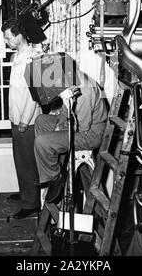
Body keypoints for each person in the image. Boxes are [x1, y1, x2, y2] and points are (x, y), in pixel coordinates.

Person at [34, 61, 108, 204]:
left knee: (42, 142)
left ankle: (54, 177)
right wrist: (61, 122)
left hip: (91, 133)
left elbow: (82, 127)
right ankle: (51, 165)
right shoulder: (72, 80)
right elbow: (67, 109)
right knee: (41, 120)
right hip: (78, 123)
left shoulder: (84, 91)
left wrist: (60, 131)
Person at [1, 18, 42, 218]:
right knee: (20, 160)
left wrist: (25, 120)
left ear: (19, 36)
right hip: (16, 118)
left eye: (8, 38)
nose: (6, 42)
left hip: (28, 120)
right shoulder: (16, 56)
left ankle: (31, 203)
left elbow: (34, 95)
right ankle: (25, 192)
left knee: (28, 162)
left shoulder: (33, 57)